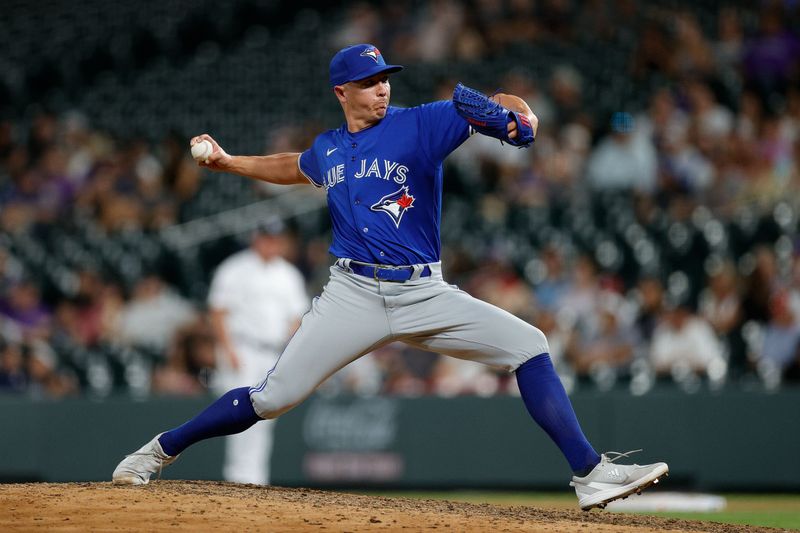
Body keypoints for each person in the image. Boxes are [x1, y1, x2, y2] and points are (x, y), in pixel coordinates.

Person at [112, 43, 668, 511]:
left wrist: (522, 116)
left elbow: (498, 105)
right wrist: (230, 162)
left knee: (529, 344)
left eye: (384, 79)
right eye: (369, 81)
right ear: (341, 92)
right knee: (274, 396)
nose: (381, 89)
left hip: (424, 291)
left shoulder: (420, 124)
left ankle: (589, 473)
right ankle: (159, 450)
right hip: (351, 293)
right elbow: (294, 165)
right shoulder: (329, 149)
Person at [207, 219, 309, 485]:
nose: (271, 243)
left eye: (276, 238)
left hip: (273, 352)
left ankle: (255, 480)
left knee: (265, 415)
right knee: (237, 412)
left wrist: (288, 355)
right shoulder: (234, 268)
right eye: (267, 237)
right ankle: (237, 478)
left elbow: (297, 319)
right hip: (242, 348)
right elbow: (218, 312)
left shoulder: (288, 274)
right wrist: (228, 350)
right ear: (257, 238)